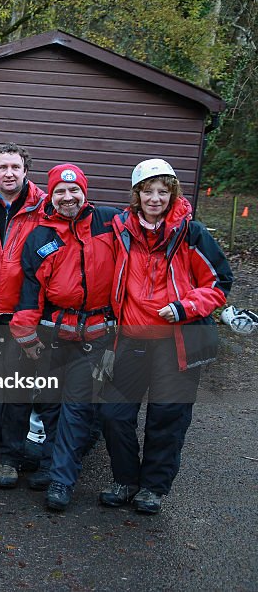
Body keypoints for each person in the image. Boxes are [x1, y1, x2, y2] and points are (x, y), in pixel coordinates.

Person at [99, 159, 232, 514]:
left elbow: (219, 283)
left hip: (177, 341)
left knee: (167, 417)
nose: (155, 198)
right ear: (137, 194)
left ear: (172, 193)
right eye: (148, 191)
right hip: (132, 338)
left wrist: (186, 306)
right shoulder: (121, 231)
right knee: (113, 413)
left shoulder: (192, 233)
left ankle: (152, 488)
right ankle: (125, 480)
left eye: (162, 191)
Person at [10, 164, 119, 511]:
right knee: (50, 404)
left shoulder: (110, 223)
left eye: (74, 191)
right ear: (51, 195)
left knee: (76, 408)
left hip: (98, 333)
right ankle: (51, 464)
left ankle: (61, 480)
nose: (68, 197)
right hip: (56, 331)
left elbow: (152, 226)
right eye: (60, 191)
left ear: (84, 192)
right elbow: (31, 291)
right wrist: (25, 334)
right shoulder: (41, 236)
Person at [0, 143, 46, 488]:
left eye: (15, 167)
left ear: (25, 170)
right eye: (3, 167)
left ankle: (10, 458)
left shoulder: (43, 207)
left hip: (22, 313)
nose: (9, 173)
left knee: (18, 392)